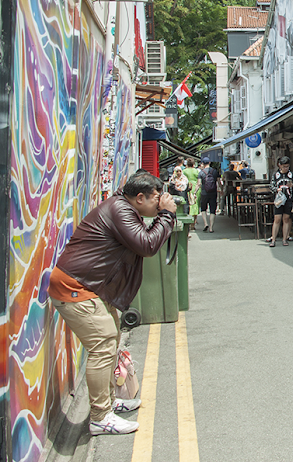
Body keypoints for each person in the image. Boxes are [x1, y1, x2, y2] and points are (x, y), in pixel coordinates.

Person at [48, 172, 177, 435]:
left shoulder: (123, 207)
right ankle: (100, 417)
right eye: (156, 198)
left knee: (110, 341)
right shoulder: (120, 209)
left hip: (89, 287)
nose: (160, 202)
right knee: (103, 346)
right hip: (76, 288)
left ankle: (107, 404)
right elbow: (147, 244)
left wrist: (160, 213)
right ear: (139, 198)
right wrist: (168, 215)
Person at [268, 156, 293, 247]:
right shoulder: (275, 175)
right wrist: (277, 190)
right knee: (277, 219)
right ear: (280, 166)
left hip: (288, 199)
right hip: (279, 200)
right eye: (284, 166)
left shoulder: (292, 175)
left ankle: (285, 239)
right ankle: (273, 239)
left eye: (287, 166)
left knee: (286, 219)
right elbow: (271, 186)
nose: (286, 168)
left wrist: (292, 185)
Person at [197, 157, 219, 232]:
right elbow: (218, 181)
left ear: (202, 163)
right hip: (213, 192)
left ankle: (205, 223)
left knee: (203, 209)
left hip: (204, 193)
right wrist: (221, 190)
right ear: (209, 162)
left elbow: (199, 184)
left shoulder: (201, 172)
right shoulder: (215, 171)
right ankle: (211, 228)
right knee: (212, 210)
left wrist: (194, 192)